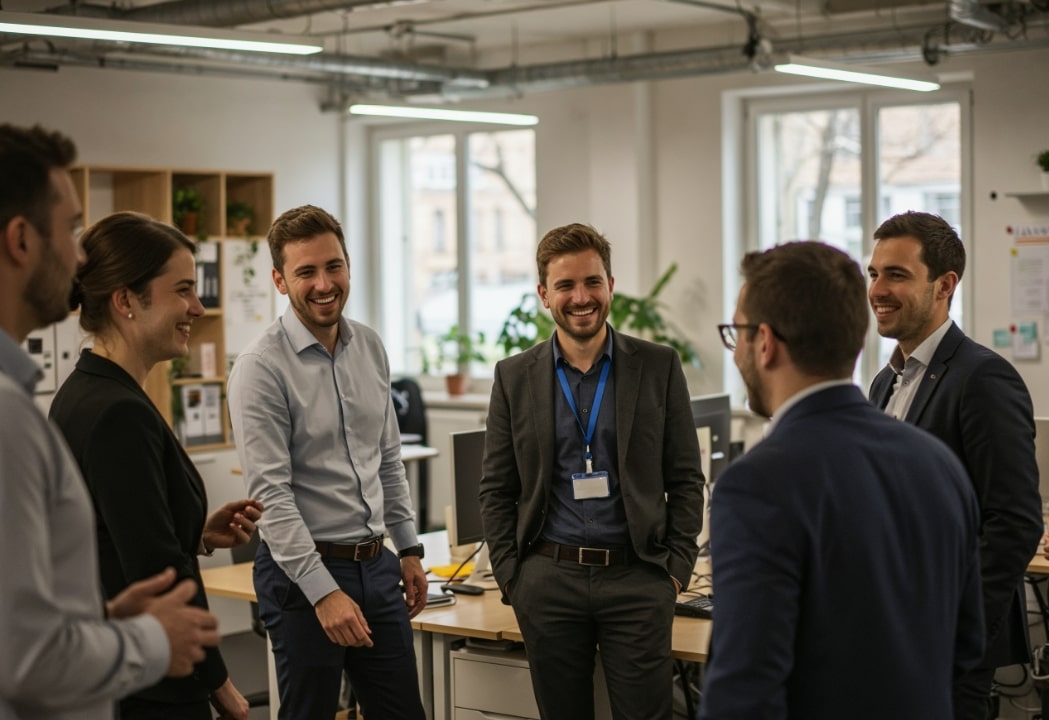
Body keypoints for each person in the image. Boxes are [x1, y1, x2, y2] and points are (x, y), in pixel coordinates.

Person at [699, 240, 983, 719]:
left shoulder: (758, 483)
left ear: (764, 342)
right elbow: (966, 645)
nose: (736, 353)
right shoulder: (940, 465)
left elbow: (745, 690)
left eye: (737, 334)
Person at [0, 123, 222, 719]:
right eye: (70, 230)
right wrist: (150, 642)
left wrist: (100, 619)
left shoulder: (60, 395)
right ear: (20, 240)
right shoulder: (22, 413)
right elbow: (24, 656)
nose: (79, 257)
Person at [480, 222, 705, 720]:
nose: (581, 297)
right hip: (548, 580)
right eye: (565, 285)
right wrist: (514, 578)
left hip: (636, 579)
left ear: (610, 285)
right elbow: (496, 488)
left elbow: (687, 479)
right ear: (544, 294)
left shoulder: (658, 366)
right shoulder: (513, 377)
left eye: (592, 282)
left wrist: (674, 574)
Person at [48, 211, 265, 720]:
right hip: (153, 685)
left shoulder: (84, 392)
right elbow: (155, 571)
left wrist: (195, 534)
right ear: (126, 300)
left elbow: (112, 534)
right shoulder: (118, 413)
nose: (198, 307)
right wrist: (219, 683)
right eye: (183, 290)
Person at [227, 205, 428, 720]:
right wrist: (323, 593)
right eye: (306, 272)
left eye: (333, 266)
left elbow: (387, 458)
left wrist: (408, 549)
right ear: (279, 280)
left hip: (376, 564)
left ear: (348, 266)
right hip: (302, 575)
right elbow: (271, 497)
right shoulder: (260, 368)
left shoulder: (370, 346)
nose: (324, 284)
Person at [867, 211, 1042, 719]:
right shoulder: (884, 382)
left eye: (896, 275)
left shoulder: (983, 379)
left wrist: (956, 631)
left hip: (944, 644)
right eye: (874, 273)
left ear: (944, 285)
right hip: (888, 632)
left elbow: (1014, 523)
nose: (877, 290)